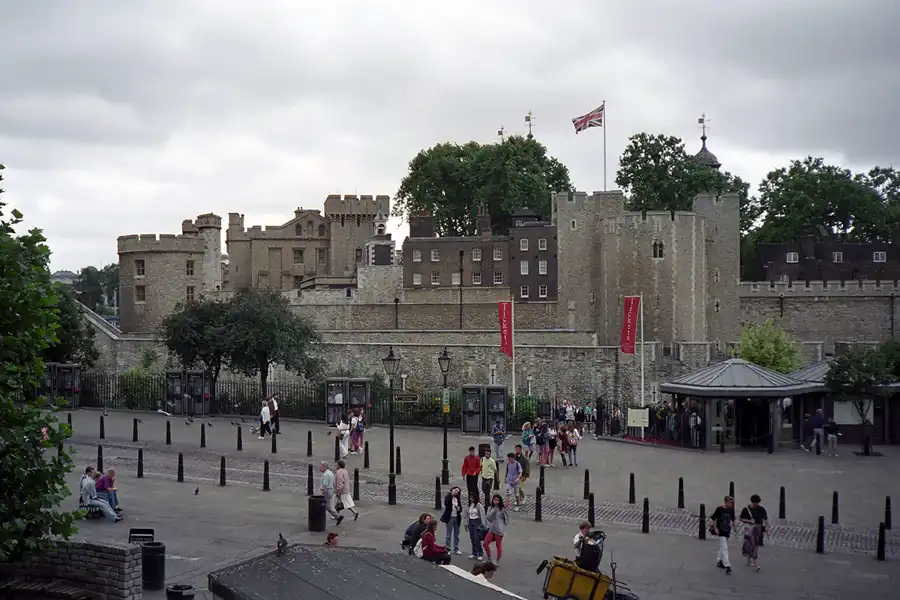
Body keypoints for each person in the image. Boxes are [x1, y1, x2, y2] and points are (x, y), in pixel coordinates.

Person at [739, 494, 767, 571]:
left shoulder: (761, 509)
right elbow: (741, 518)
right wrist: (748, 521)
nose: (757, 504)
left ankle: (754, 561)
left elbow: (765, 519)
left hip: (759, 528)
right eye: (755, 503)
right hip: (750, 528)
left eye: (758, 503)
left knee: (756, 545)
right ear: (752, 502)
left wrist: (768, 529)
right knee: (749, 544)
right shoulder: (746, 509)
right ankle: (750, 560)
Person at [709, 496, 735, 574]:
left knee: (723, 546)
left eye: (732, 503)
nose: (731, 504)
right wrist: (715, 528)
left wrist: (735, 528)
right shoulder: (719, 509)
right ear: (726, 502)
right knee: (725, 548)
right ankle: (727, 565)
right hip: (721, 531)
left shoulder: (731, 510)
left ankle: (719, 560)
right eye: (730, 503)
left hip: (727, 530)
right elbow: (713, 518)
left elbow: (733, 519)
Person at [483, 494, 509, 565]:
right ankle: (489, 558)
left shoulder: (502, 509)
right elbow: (489, 518)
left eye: (497, 500)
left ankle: (497, 561)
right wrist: (493, 511)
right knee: (485, 544)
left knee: (498, 546)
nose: (496, 502)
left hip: (499, 531)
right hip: (491, 530)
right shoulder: (490, 508)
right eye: (495, 500)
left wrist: (502, 527)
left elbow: (506, 520)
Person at [440, 486, 463, 555]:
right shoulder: (448, 497)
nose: (456, 492)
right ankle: (448, 548)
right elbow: (446, 504)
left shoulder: (457, 499)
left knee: (457, 534)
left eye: (458, 491)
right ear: (452, 490)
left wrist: (458, 508)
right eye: (455, 490)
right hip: (450, 517)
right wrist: (451, 495)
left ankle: (456, 548)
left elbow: (460, 508)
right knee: (448, 534)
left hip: (456, 517)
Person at [464, 493, 486, 560]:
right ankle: (474, 553)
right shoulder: (468, 505)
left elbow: (482, 514)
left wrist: (483, 524)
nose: (471, 499)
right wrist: (465, 524)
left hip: (477, 521)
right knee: (472, 538)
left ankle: (480, 553)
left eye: (472, 498)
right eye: (470, 498)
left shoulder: (479, 505)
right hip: (471, 521)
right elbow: (466, 515)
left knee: (477, 538)